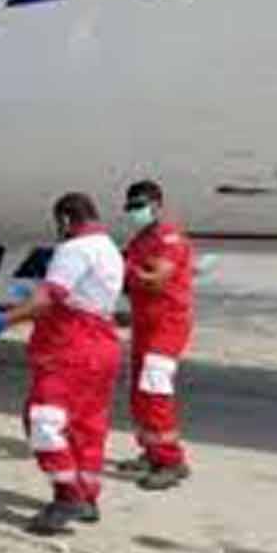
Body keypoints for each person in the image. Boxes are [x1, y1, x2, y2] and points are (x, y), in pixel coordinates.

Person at [0, 193, 124, 535]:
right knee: (87, 426)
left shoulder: (73, 249)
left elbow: (49, 299)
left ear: (66, 221)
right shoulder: (109, 248)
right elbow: (77, 295)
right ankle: (87, 497)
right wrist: (31, 296)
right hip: (103, 344)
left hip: (72, 348)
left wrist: (5, 319)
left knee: (43, 419)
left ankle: (66, 495)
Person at [118, 180, 194, 490]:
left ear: (156, 205)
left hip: (168, 325)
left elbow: (156, 281)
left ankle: (172, 461)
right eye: (131, 207)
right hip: (145, 323)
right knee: (139, 391)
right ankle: (151, 451)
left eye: (140, 205)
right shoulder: (139, 240)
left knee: (154, 388)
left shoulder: (168, 238)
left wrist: (126, 269)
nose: (135, 212)